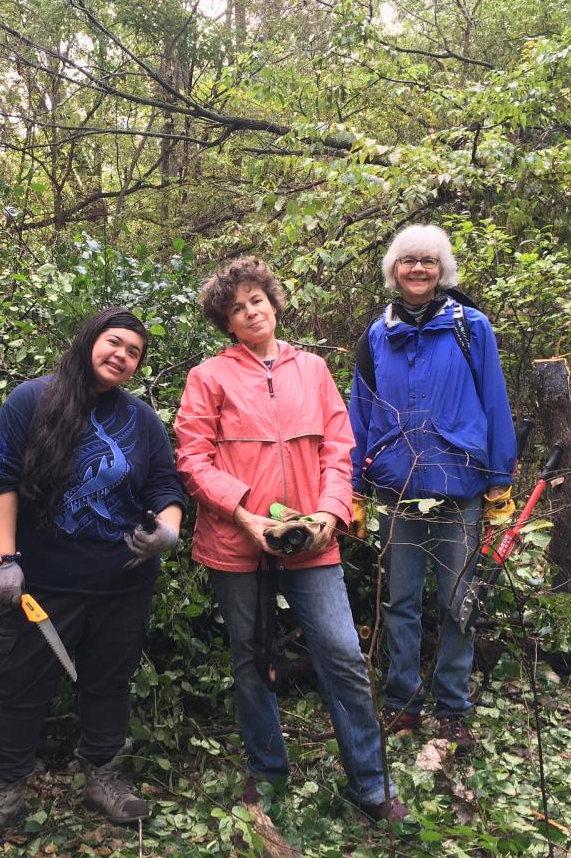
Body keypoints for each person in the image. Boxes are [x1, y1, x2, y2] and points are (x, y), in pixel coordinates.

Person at [172, 258, 408, 825]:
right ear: (225, 322)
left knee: (343, 654)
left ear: (274, 304)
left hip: (312, 540)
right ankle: (268, 775)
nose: (250, 312)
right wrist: (243, 514)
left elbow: (338, 447)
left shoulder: (314, 369)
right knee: (251, 660)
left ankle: (371, 787)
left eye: (257, 300)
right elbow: (191, 457)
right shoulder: (210, 376)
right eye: (236, 307)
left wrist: (330, 511)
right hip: (237, 544)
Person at [0, 307, 186, 846]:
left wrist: (169, 532)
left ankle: (103, 776)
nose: (122, 356)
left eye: (133, 352)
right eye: (114, 342)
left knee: (109, 683)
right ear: (89, 341)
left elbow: (165, 487)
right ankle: (5, 789)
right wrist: (2, 560)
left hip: (123, 582)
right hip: (43, 583)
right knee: (19, 687)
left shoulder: (142, 420)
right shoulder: (31, 401)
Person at [349, 224, 517, 753]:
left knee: (457, 601)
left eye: (427, 261)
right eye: (407, 261)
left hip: (459, 483)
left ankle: (452, 708)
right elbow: (360, 414)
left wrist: (500, 481)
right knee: (400, 601)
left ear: (441, 269)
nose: (418, 269)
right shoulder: (376, 336)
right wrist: (352, 484)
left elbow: (494, 402)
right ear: (393, 271)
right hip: (397, 487)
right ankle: (403, 701)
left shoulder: (472, 327)